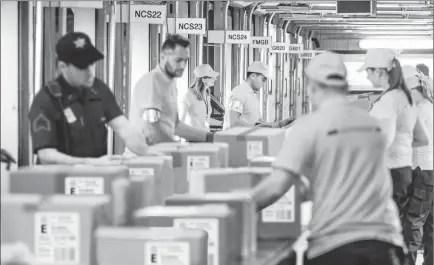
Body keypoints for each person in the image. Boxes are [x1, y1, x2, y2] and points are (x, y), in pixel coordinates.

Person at [251, 52, 406, 265]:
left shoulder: (308, 126)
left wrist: (235, 209)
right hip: (386, 243)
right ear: (344, 86)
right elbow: (349, 176)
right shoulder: (372, 124)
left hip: (335, 245)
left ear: (312, 86)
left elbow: (276, 186)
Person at [28, 32, 151, 166]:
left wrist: (146, 153)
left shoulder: (98, 89)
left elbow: (124, 128)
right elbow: (46, 155)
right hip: (58, 181)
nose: (89, 71)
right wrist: (91, 163)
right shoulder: (47, 99)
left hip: (94, 180)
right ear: (63, 67)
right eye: (82, 66)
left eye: (91, 64)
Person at [360, 48, 429, 219]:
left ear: (379, 71)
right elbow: (422, 138)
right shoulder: (407, 99)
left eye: (368, 71)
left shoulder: (388, 100)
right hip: (403, 171)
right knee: (395, 224)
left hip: (388, 172)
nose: (367, 77)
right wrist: (402, 145)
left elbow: (384, 139)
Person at [129, 34, 214, 145]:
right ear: (163, 57)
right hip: (147, 156)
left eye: (185, 60)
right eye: (178, 60)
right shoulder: (153, 82)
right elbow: (152, 129)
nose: (183, 66)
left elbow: (176, 126)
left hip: (162, 153)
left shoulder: (170, 84)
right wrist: (177, 148)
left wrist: (211, 137)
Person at [401, 65, 433, 265]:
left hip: (421, 171)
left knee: (413, 221)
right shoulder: (430, 107)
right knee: (430, 224)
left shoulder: (420, 111)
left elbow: (416, 139)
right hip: (430, 171)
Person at [223, 61, 295, 130]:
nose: (264, 84)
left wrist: (280, 124)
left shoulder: (251, 95)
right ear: (253, 76)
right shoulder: (239, 93)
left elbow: (257, 123)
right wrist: (257, 129)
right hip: (235, 141)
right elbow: (233, 123)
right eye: (263, 80)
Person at [179, 64, 218, 131]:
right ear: (204, 79)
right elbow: (181, 120)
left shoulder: (206, 94)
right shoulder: (189, 95)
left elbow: (204, 118)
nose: (215, 79)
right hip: (193, 137)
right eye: (212, 77)